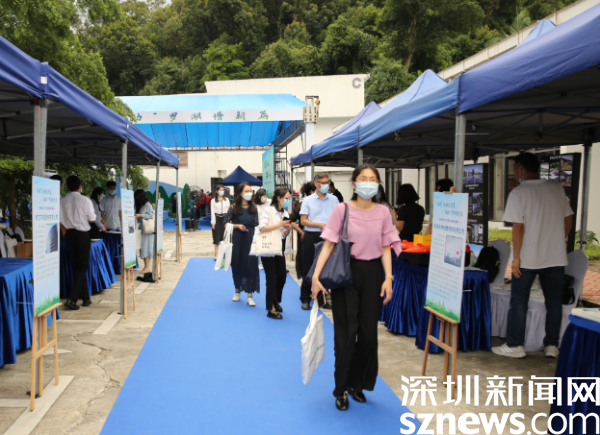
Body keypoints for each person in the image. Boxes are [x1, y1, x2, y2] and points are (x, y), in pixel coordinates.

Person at [311, 164, 400, 411]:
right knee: (346, 336)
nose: (368, 183)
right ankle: (341, 388)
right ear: (354, 183)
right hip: (345, 273)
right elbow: (329, 244)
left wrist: (388, 277)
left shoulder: (383, 212)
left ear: (378, 184)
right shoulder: (342, 209)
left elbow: (386, 246)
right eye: (363, 178)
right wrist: (316, 277)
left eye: (372, 179)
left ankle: (357, 382)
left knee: (369, 337)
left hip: (373, 274)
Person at [492, 153, 573, 359]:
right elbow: (569, 219)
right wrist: (560, 240)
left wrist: (516, 257)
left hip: (528, 258)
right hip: (555, 256)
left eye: (515, 168)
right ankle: (551, 345)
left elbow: (518, 227)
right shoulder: (557, 189)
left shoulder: (519, 192)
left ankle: (515, 345)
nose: (514, 172)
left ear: (521, 169)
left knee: (519, 301)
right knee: (554, 302)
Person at [299, 173, 339, 310]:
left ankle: (322, 299)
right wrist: (319, 225)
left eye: (328, 182)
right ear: (316, 184)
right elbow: (303, 221)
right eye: (323, 182)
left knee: (326, 267)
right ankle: (305, 298)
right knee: (308, 266)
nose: (326, 185)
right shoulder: (308, 200)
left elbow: (339, 217)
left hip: (329, 236)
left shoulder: (334, 199)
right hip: (312, 235)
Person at [61, 175, 97, 310]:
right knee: (81, 268)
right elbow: (92, 219)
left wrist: (64, 228)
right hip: (82, 235)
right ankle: (72, 299)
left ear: (67, 187)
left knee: (77, 267)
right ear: (80, 186)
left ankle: (86, 297)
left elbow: (58, 218)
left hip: (69, 235)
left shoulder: (62, 200)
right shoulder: (85, 200)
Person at [258, 187, 292, 319]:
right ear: (279, 198)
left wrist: (287, 228)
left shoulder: (285, 212)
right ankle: (271, 309)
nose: (288, 200)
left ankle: (275, 300)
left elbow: (285, 234)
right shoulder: (268, 210)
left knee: (282, 277)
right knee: (271, 279)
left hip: (279, 246)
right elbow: (262, 228)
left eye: (289, 198)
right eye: (286, 198)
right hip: (268, 247)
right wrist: (279, 225)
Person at [224, 182, 260, 306]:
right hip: (237, 238)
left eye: (251, 191)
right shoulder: (234, 207)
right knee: (237, 264)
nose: (249, 193)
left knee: (251, 265)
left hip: (251, 238)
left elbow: (257, 224)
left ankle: (250, 294)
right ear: (240, 193)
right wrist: (237, 226)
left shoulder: (254, 208)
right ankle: (237, 290)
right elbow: (225, 223)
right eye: (246, 191)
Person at [290, 182, 316, 280]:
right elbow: (291, 220)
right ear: (312, 192)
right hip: (306, 238)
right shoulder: (303, 205)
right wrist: (301, 231)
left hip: (319, 237)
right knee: (307, 263)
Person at [134, 189, 155, 274]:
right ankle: (146, 266)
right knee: (142, 248)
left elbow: (151, 215)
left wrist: (140, 215)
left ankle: (147, 267)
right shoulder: (140, 205)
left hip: (147, 231)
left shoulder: (147, 204)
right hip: (141, 230)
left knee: (146, 248)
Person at [211, 184, 230, 260]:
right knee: (216, 237)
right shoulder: (213, 201)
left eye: (223, 190)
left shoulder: (227, 200)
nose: (222, 191)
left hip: (225, 218)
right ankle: (216, 254)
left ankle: (225, 253)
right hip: (217, 218)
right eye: (220, 190)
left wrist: (229, 220)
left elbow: (229, 211)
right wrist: (213, 223)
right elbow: (212, 212)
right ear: (217, 191)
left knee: (225, 237)